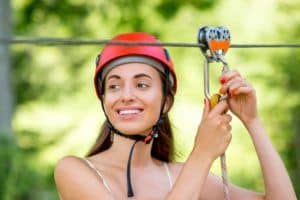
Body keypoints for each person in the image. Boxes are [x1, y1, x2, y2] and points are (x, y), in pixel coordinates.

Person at [54, 32, 297, 200]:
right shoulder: (74, 171)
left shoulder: (183, 175)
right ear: (103, 99)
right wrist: (202, 154)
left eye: (141, 85)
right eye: (114, 86)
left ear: (166, 101)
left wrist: (253, 121)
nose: (125, 96)